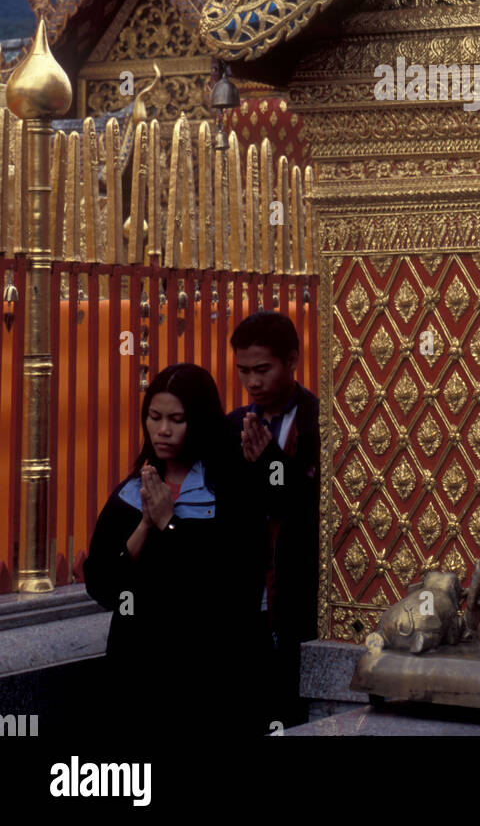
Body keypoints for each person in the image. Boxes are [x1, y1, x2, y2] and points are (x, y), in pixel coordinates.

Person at [83, 364, 269, 737]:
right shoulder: (131, 494)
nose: (162, 430)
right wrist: (146, 526)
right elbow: (103, 584)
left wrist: (171, 523)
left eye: (176, 419)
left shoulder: (231, 490)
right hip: (138, 662)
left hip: (210, 668)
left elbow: (233, 583)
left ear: (198, 420)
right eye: (154, 417)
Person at [227, 310, 320, 728]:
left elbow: (309, 503)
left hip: (298, 587)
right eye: (244, 371)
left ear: (292, 360)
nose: (253, 382)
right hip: (244, 590)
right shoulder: (232, 427)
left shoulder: (320, 422)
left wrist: (269, 462)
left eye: (262, 369)